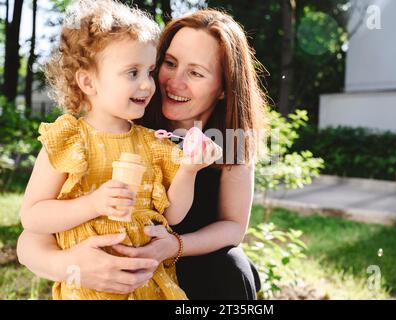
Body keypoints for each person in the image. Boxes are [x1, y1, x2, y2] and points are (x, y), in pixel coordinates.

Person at [17, 8, 268, 300]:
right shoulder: (120, 118)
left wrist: (175, 245)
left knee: (232, 266)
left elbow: (233, 228)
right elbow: (30, 237)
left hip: (189, 272)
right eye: (169, 63)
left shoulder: (229, 140)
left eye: (196, 72)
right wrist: (71, 266)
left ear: (224, 87)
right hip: (111, 272)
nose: (173, 81)